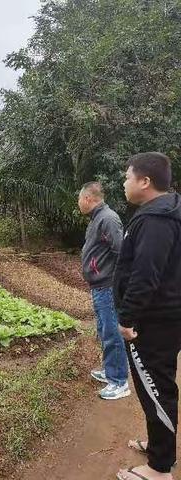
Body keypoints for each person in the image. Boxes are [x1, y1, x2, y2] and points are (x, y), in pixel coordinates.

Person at [115, 152, 181, 480]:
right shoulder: (167, 212)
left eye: (128, 177)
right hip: (166, 318)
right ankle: (159, 446)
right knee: (157, 387)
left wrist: (126, 320)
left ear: (145, 181)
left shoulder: (155, 220)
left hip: (152, 324)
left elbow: (145, 276)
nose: (124, 182)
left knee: (156, 389)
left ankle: (159, 469)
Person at [78, 181, 130, 400]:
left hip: (108, 286)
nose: (78, 203)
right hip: (99, 286)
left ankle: (119, 382)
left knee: (111, 333)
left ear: (88, 198)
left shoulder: (107, 218)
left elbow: (121, 252)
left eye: (79, 199)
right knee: (104, 330)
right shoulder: (97, 218)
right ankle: (110, 370)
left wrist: (116, 283)